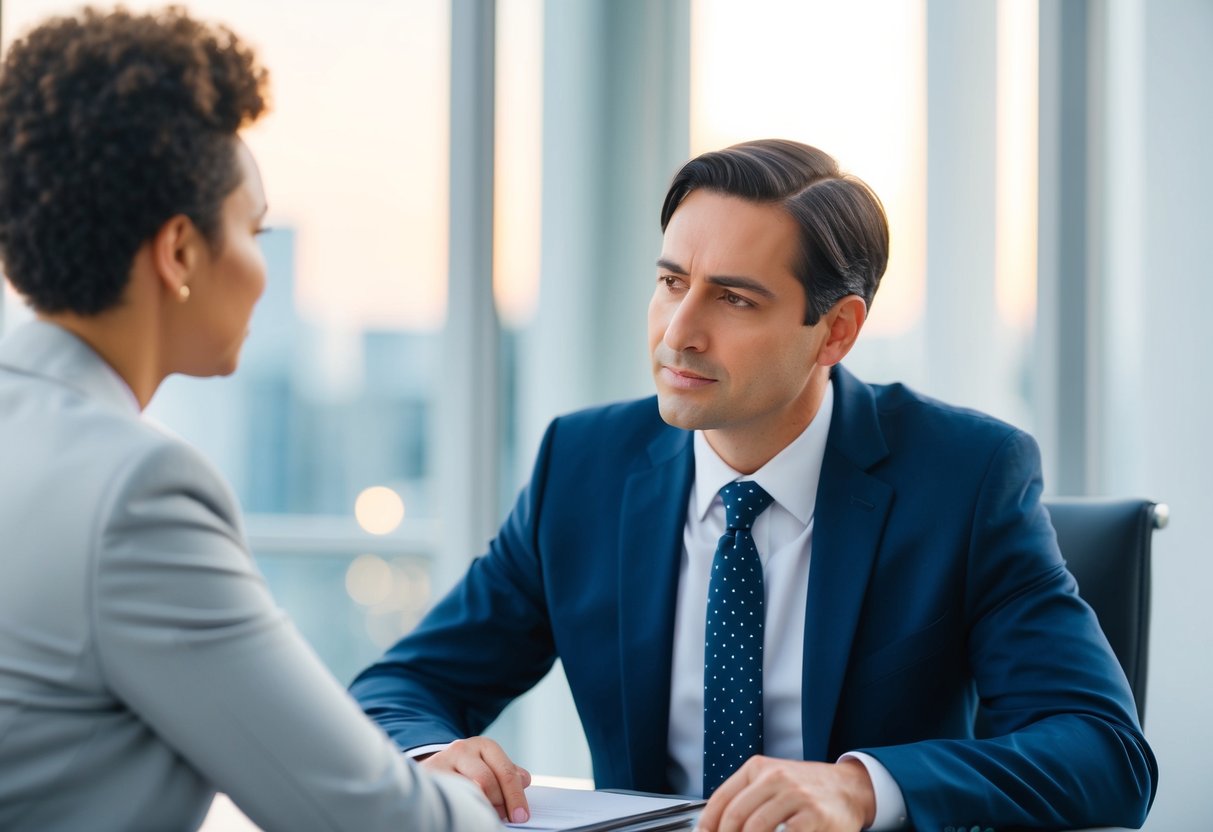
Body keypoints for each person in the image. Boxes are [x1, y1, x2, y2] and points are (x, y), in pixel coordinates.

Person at [350, 139, 1159, 831]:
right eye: (671, 282)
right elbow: (403, 685)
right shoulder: (584, 466)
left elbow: (1103, 754)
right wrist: (432, 755)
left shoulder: (963, 476)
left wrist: (860, 787)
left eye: (733, 299)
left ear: (834, 330)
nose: (678, 332)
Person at [0, 8, 498, 831]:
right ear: (181, 253)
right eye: (252, 229)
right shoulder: (135, 494)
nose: (262, 272)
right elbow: (365, 818)